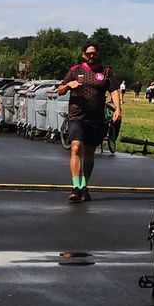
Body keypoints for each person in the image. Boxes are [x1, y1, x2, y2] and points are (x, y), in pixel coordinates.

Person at [55, 39, 119, 206]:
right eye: (88, 54)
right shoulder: (75, 70)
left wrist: (118, 108)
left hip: (96, 117)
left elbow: (114, 90)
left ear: (98, 54)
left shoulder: (106, 72)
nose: (91, 56)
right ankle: (75, 187)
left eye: (94, 54)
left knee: (89, 152)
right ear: (83, 54)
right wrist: (69, 85)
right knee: (76, 147)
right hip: (77, 115)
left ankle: (84, 186)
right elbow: (59, 91)